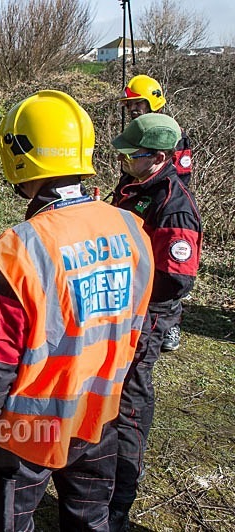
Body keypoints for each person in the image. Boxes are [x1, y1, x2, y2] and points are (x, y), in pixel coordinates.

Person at [0, 90, 154, 531]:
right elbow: (139, 329)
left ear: (21, 154)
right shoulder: (132, 229)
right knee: (89, 520)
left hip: (31, 426)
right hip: (100, 413)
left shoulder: (19, 249)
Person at [108, 113, 202, 530]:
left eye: (133, 154)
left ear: (159, 157)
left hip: (145, 316)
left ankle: (120, 497)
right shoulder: (134, 184)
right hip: (119, 309)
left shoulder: (173, 205)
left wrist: (134, 300)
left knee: (131, 398)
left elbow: (176, 279)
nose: (125, 159)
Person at [118, 74, 194, 352]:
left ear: (153, 100)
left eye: (137, 103)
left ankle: (169, 324)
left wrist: (158, 203)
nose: (132, 109)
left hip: (159, 206)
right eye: (129, 105)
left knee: (165, 266)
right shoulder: (135, 132)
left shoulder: (173, 133)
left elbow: (181, 177)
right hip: (138, 200)